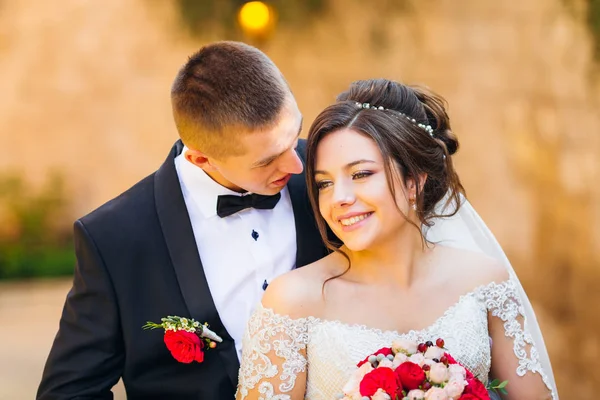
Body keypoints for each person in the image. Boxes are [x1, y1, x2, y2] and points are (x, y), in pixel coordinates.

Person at [37, 41, 328, 399]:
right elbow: (68, 392)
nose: (297, 166)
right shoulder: (114, 238)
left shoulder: (331, 180)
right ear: (202, 159)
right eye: (267, 161)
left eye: (294, 134)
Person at [236, 79, 559, 399]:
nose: (339, 198)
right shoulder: (293, 300)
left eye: (361, 174)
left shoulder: (483, 280)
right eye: (324, 184)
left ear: (414, 182)